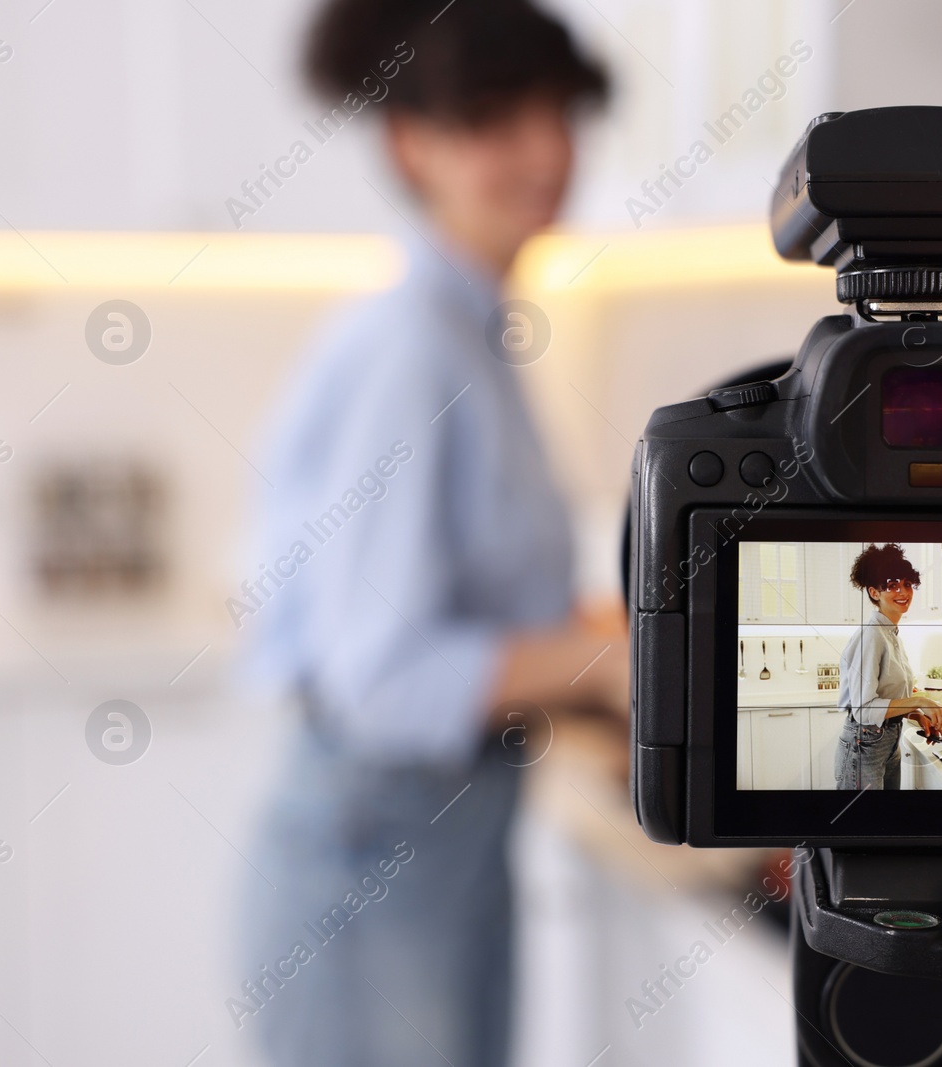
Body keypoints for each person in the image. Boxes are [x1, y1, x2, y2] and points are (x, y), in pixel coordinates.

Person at [238, 4, 619, 1066]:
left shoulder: (470, 332)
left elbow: (467, 602)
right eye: (497, 121)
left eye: (558, 114)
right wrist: (601, 660)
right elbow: (384, 672)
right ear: (411, 142)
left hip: (442, 836)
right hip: (378, 850)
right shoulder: (411, 348)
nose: (546, 152)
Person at [834, 544, 942, 790]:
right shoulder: (872, 636)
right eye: (892, 585)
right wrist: (922, 701)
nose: (903, 592)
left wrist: (916, 714)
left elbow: (888, 699)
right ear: (874, 592)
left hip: (885, 742)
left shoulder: (891, 634)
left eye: (907, 584)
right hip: (863, 745)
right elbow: (863, 710)